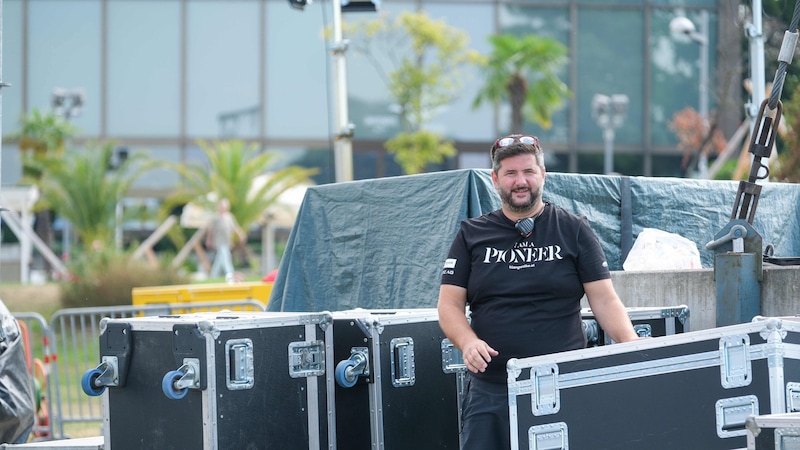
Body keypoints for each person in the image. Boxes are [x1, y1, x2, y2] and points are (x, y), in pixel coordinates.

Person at [437, 134, 641, 450]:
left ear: (542, 175)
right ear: (495, 179)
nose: (521, 181)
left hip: (563, 384)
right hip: (492, 389)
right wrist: (468, 342)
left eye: (529, 171)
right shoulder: (471, 235)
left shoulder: (573, 229)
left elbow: (604, 298)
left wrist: (631, 343)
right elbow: (449, 304)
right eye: (511, 173)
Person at [205, 198, 247, 281]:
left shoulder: (229, 217)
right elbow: (210, 230)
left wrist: (241, 234)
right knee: (226, 257)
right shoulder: (215, 217)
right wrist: (209, 240)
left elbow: (235, 227)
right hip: (219, 241)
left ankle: (213, 275)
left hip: (227, 241)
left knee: (220, 259)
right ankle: (231, 274)